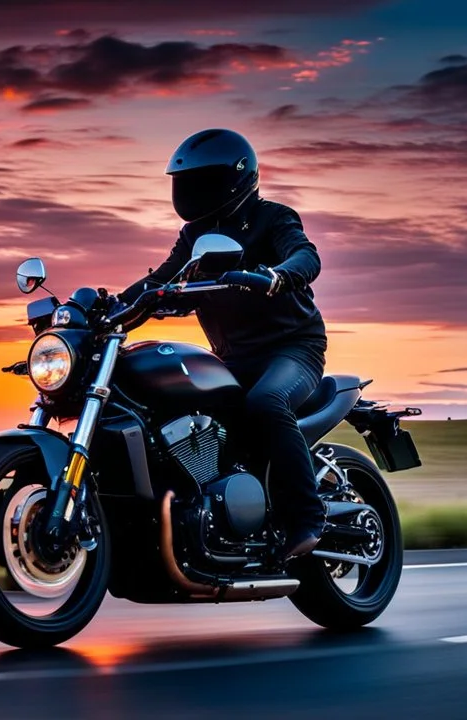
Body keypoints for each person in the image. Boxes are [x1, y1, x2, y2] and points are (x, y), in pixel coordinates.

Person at [122, 128, 328, 560]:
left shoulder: (274, 217)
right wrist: (113, 304)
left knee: (267, 404)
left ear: (236, 179)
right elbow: (163, 279)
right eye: (188, 182)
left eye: (205, 181)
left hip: (291, 350)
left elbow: (305, 254)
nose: (194, 192)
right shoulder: (194, 235)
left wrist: (277, 276)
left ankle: (307, 518)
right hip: (231, 359)